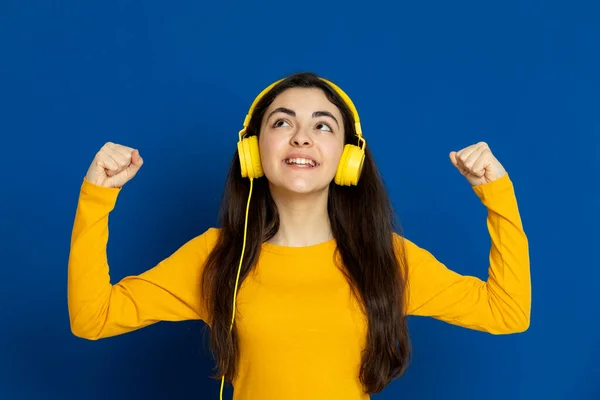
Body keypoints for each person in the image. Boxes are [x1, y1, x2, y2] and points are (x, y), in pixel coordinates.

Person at [67, 72, 531, 400]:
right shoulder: (216, 257)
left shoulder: (385, 258)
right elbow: (93, 317)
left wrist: (498, 195)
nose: (302, 138)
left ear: (348, 157)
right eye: (282, 122)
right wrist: (96, 200)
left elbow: (507, 312)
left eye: (322, 126)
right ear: (253, 151)